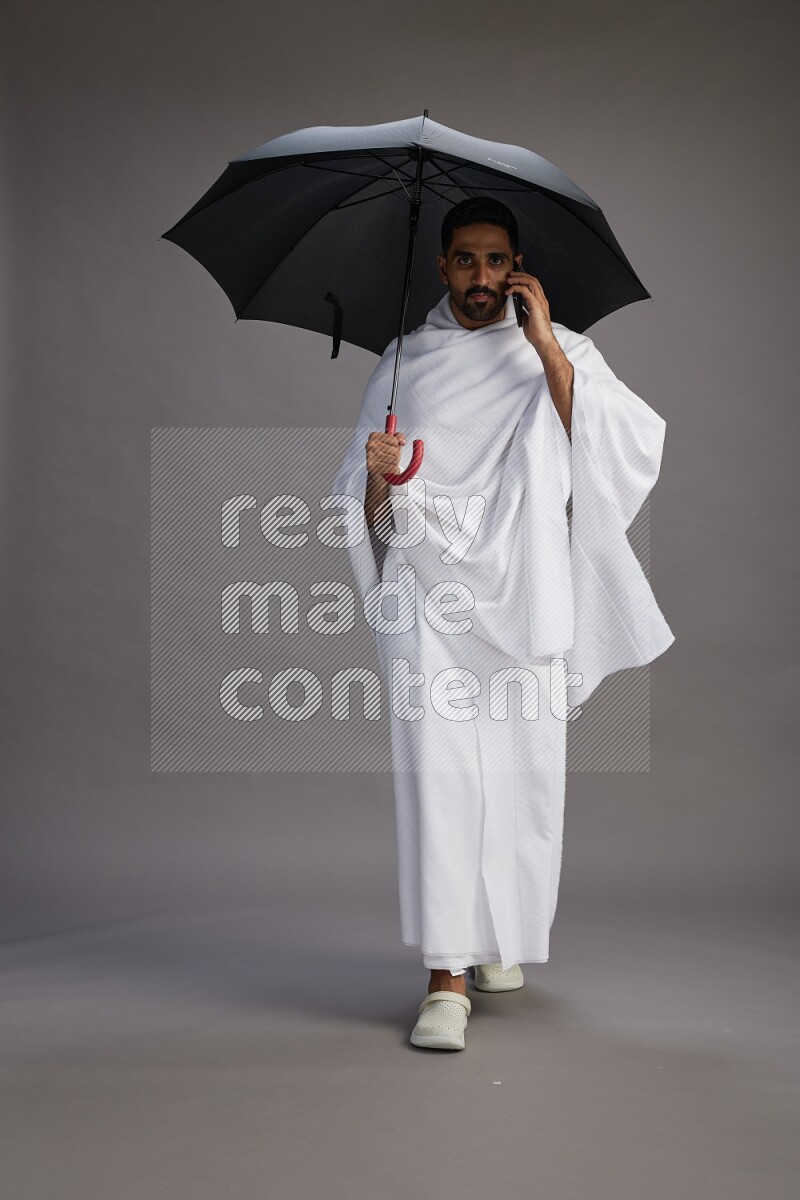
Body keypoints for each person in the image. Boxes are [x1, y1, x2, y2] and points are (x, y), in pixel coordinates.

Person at [331, 196, 674, 1051]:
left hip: (525, 589)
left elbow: (615, 452)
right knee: (440, 775)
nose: (482, 279)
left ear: (517, 268)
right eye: (465, 261)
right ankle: (446, 977)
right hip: (429, 595)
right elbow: (367, 515)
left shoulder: (562, 352)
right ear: (442, 268)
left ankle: (496, 942)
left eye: (497, 262)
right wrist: (376, 475)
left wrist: (549, 346)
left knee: (522, 773)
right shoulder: (405, 363)